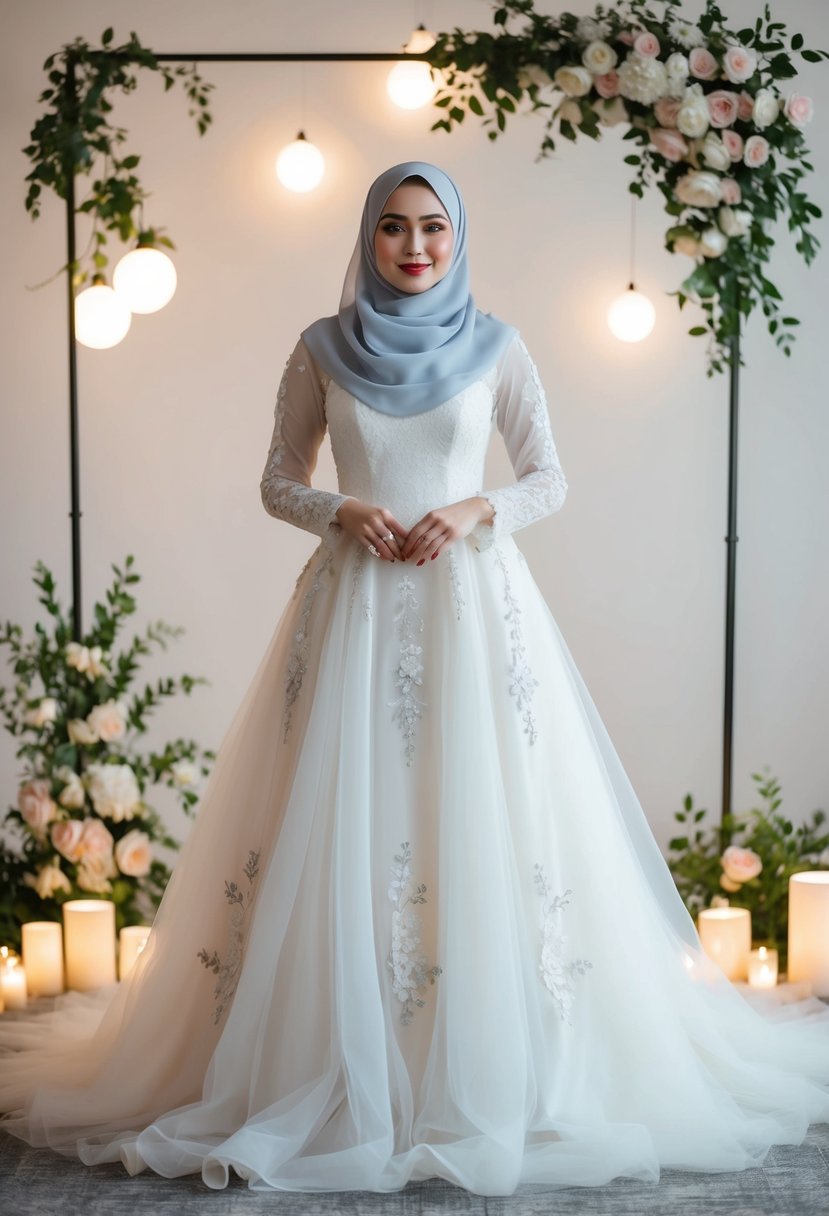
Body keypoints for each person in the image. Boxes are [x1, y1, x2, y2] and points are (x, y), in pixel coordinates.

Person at [2, 160, 829, 1197]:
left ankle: (488, 1062)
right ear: (367, 237)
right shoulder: (321, 348)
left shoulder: (498, 345)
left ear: (457, 236)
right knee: (343, 817)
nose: (414, 247)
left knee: (477, 810)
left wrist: (477, 508)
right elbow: (275, 478)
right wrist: (339, 510)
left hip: (473, 610)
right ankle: (328, 1064)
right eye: (392, 228)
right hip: (352, 608)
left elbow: (547, 475)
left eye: (433, 227)